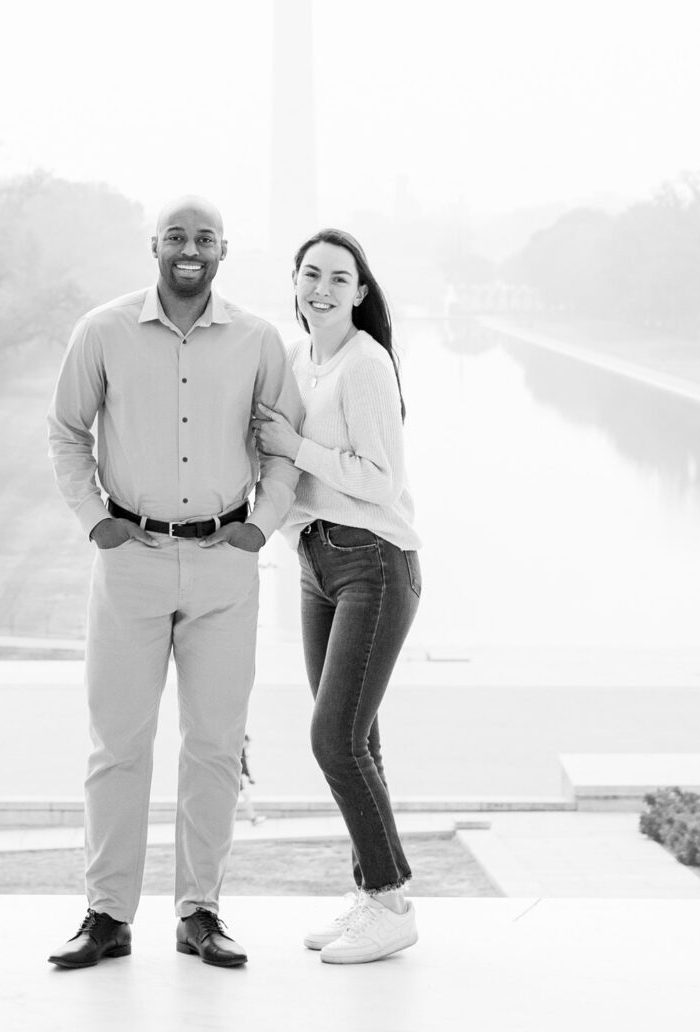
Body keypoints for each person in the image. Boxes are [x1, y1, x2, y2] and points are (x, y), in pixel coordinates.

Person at [45, 195, 302, 972]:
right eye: (177, 237)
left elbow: (284, 446)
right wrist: (96, 521)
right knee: (118, 744)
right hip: (130, 559)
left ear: (223, 251)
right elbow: (65, 431)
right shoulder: (102, 331)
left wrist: (262, 523)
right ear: (153, 245)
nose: (190, 249)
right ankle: (106, 916)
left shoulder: (258, 339)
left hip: (224, 560)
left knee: (216, 745)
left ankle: (200, 912)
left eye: (205, 239)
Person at [255, 227, 422, 966]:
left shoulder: (365, 364)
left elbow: (379, 478)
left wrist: (295, 448)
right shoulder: (299, 359)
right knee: (361, 740)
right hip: (316, 560)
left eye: (337, 277)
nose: (320, 287)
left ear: (359, 292)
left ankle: (389, 899)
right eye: (310, 274)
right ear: (294, 282)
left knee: (333, 739)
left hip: (374, 563)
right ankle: (371, 898)